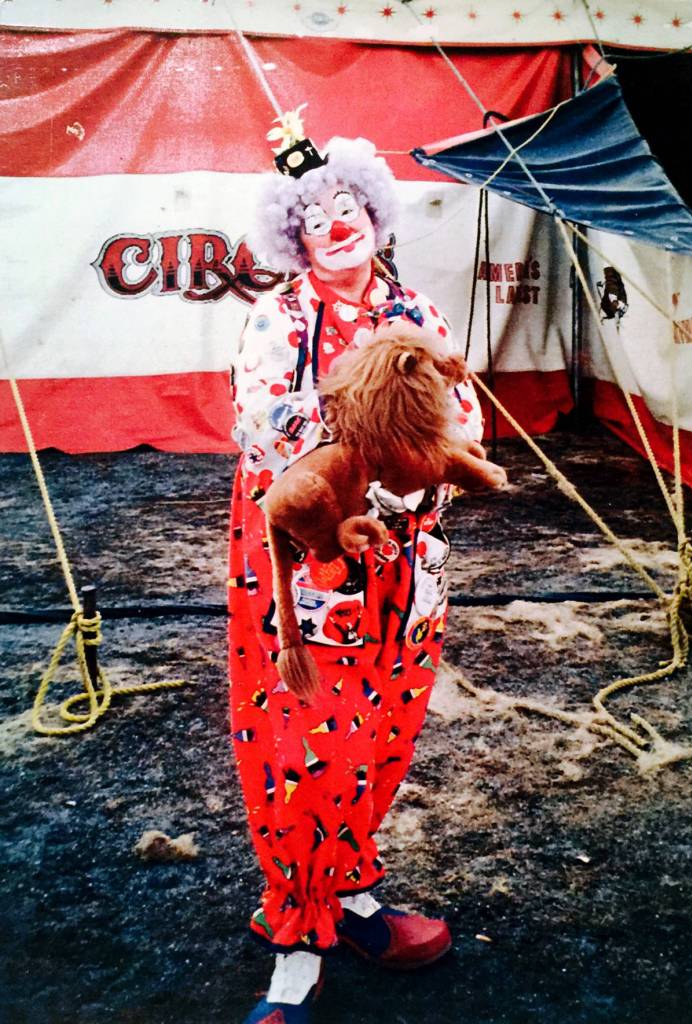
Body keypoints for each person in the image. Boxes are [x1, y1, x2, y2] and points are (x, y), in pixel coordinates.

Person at [228, 123, 502, 1024]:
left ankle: (346, 893)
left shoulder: (418, 311)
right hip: (312, 553)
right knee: (301, 743)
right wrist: (366, 429)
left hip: (406, 557)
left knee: (386, 725)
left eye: (347, 208)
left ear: (373, 214)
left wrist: (434, 460)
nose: (336, 226)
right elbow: (264, 429)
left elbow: (462, 416)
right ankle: (295, 946)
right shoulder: (278, 317)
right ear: (294, 238)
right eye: (314, 219)